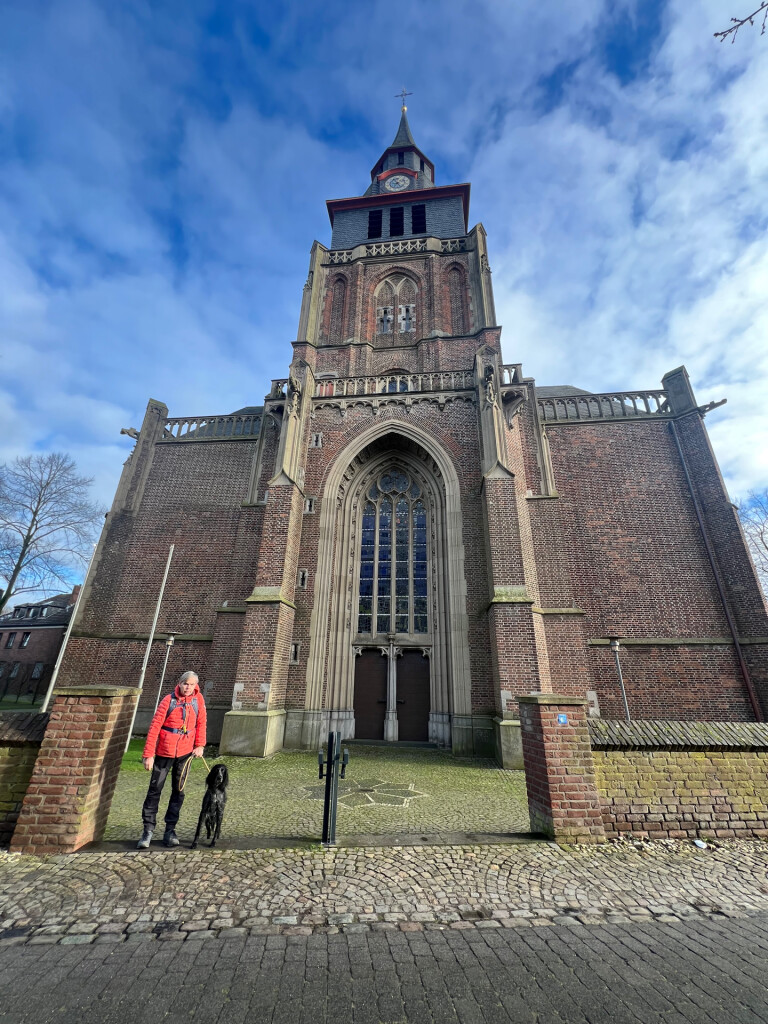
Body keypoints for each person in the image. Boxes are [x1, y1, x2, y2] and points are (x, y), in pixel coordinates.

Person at [137, 670, 207, 849]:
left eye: (191, 685)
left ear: (195, 686)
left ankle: (170, 829)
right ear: (180, 683)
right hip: (164, 752)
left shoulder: (198, 701)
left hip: (185, 754)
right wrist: (148, 754)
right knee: (154, 790)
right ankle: (148, 830)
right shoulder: (168, 701)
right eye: (185, 684)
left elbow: (201, 723)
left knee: (178, 792)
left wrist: (200, 745)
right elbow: (154, 727)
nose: (187, 687)